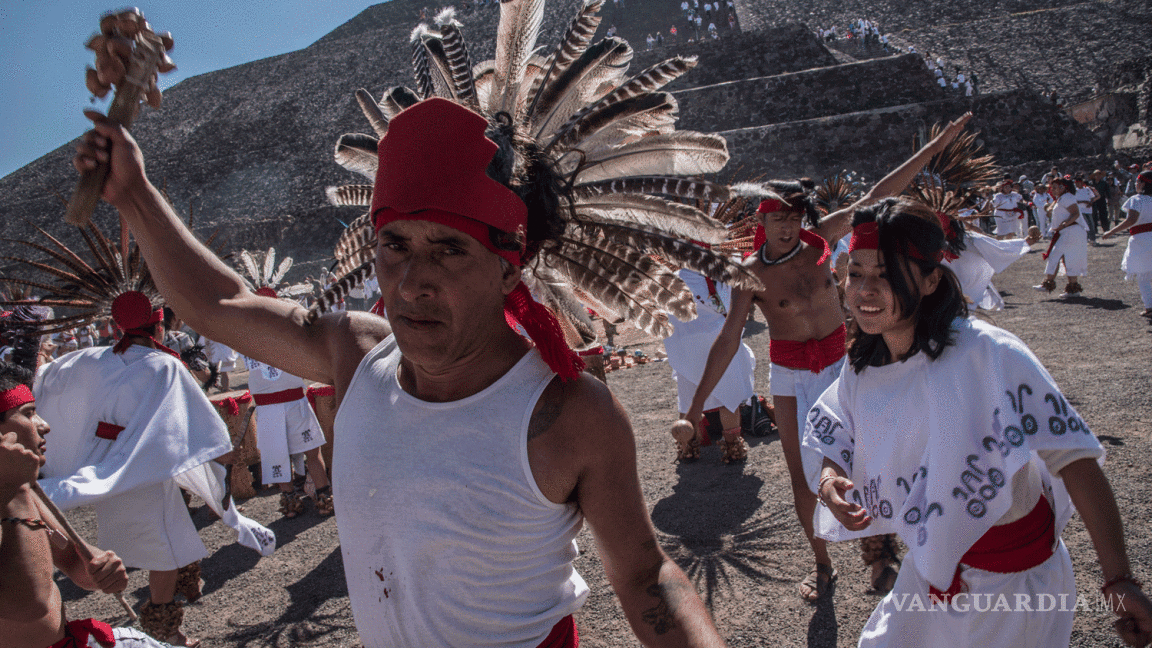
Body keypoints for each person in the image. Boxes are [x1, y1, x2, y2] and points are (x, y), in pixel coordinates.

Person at [74, 96, 726, 646]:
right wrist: (132, 192)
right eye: (395, 246)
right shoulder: (357, 357)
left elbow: (644, 574)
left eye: (448, 249)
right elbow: (221, 304)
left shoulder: (568, 414)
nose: (412, 283)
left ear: (507, 268)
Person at [802, 197, 1152, 648]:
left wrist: (1119, 580)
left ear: (930, 281)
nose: (864, 290)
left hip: (1013, 587)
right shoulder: (864, 363)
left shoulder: (989, 354)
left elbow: (1076, 461)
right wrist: (832, 477)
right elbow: (839, 425)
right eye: (856, 274)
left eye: (886, 274)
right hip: (931, 566)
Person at [680, 113, 974, 602]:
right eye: (778, 219)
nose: (787, 227)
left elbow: (879, 193)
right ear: (762, 221)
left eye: (794, 218)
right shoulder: (748, 273)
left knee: (870, 455)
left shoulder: (825, 240)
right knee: (802, 474)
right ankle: (822, 565)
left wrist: (934, 148)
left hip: (843, 364)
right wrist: (693, 408)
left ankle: (881, 556)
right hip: (789, 372)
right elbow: (729, 338)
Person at [34, 292, 276, 646]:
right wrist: (222, 453)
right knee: (165, 549)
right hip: (145, 470)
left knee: (167, 539)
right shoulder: (164, 366)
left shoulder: (93, 359)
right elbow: (195, 420)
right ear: (158, 325)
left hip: (110, 466)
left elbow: (47, 377)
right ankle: (164, 628)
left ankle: (177, 602)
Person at [0, 359, 164, 648]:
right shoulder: (16, 488)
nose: (44, 426)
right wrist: (14, 490)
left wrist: (99, 570)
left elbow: (72, 560)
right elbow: (30, 604)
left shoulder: (21, 484)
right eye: (29, 414)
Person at [664, 268, 755, 463]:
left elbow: (669, 316)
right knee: (727, 398)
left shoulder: (674, 277)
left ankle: (687, 447)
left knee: (689, 396)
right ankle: (732, 447)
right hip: (721, 343)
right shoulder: (724, 273)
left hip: (690, 345)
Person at [241, 335, 332, 518]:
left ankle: (290, 503)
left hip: (269, 407)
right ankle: (324, 500)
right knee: (312, 454)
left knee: (278, 456)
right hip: (292, 404)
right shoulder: (287, 336)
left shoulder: (245, 340)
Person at [1102, 170, 1152, 317]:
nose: (1136, 184)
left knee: (1143, 275)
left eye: (1137, 181)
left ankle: (1150, 307)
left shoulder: (1137, 199)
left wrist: (1111, 232)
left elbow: (1131, 220)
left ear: (1142, 184)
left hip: (1141, 240)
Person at [1034, 177, 1087, 296]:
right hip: (1069, 231)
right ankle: (1073, 289)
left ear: (1063, 187)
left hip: (1070, 231)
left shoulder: (1067, 197)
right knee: (1066, 259)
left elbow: (1075, 213)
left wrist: (1064, 224)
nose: (1052, 190)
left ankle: (1048, 283)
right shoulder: (1062, 198)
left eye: (1054, 188)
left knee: (1055, 255)